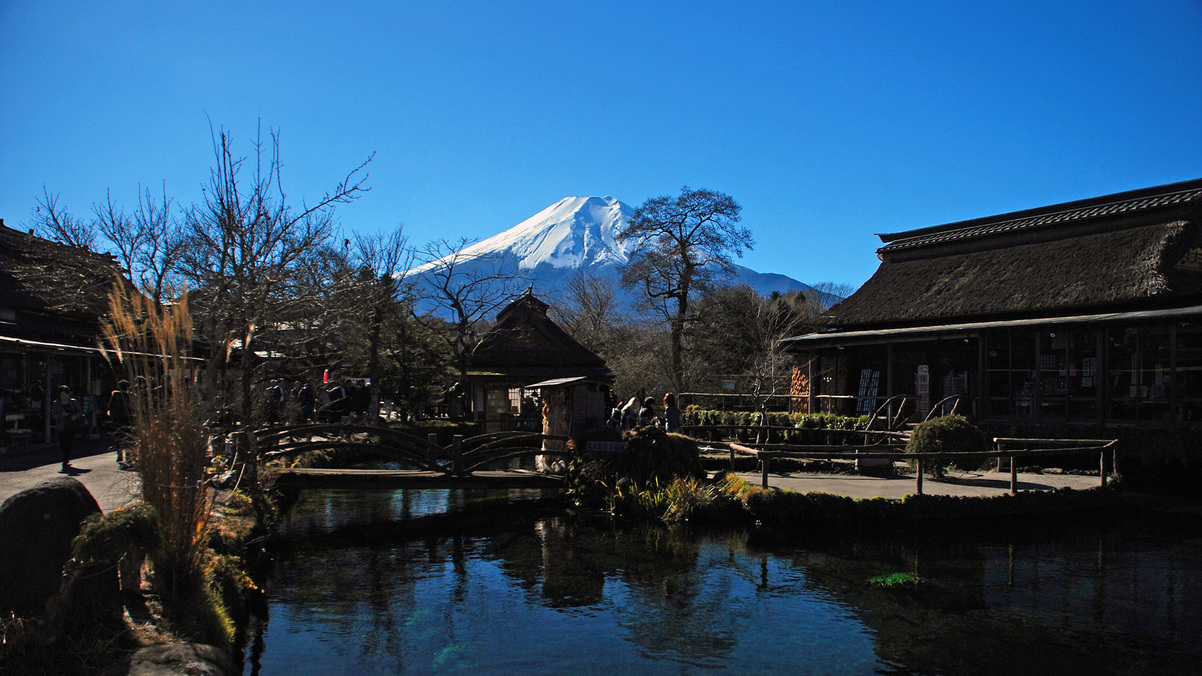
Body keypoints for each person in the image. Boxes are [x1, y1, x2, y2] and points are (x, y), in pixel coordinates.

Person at [51, 385, 84, 473]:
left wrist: (75, 416)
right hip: (61, 426)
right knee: (62, 443)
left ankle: (66, 459)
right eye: (62, 395)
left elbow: (80, 411)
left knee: (69, 442)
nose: (63, 397)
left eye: (65, 395)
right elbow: (53, 415)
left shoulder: (73, 402)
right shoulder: (56, 403)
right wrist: (61, 415)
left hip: (71, 425)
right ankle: (66, 456)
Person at [106, 380, 133, 466]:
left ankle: (119, 454)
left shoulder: (114, 396)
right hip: (128, 420)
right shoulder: (129, 396)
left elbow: (109, 407)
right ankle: (128, 456)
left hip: (116, 420)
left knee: (118, 438)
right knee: (129, 438)